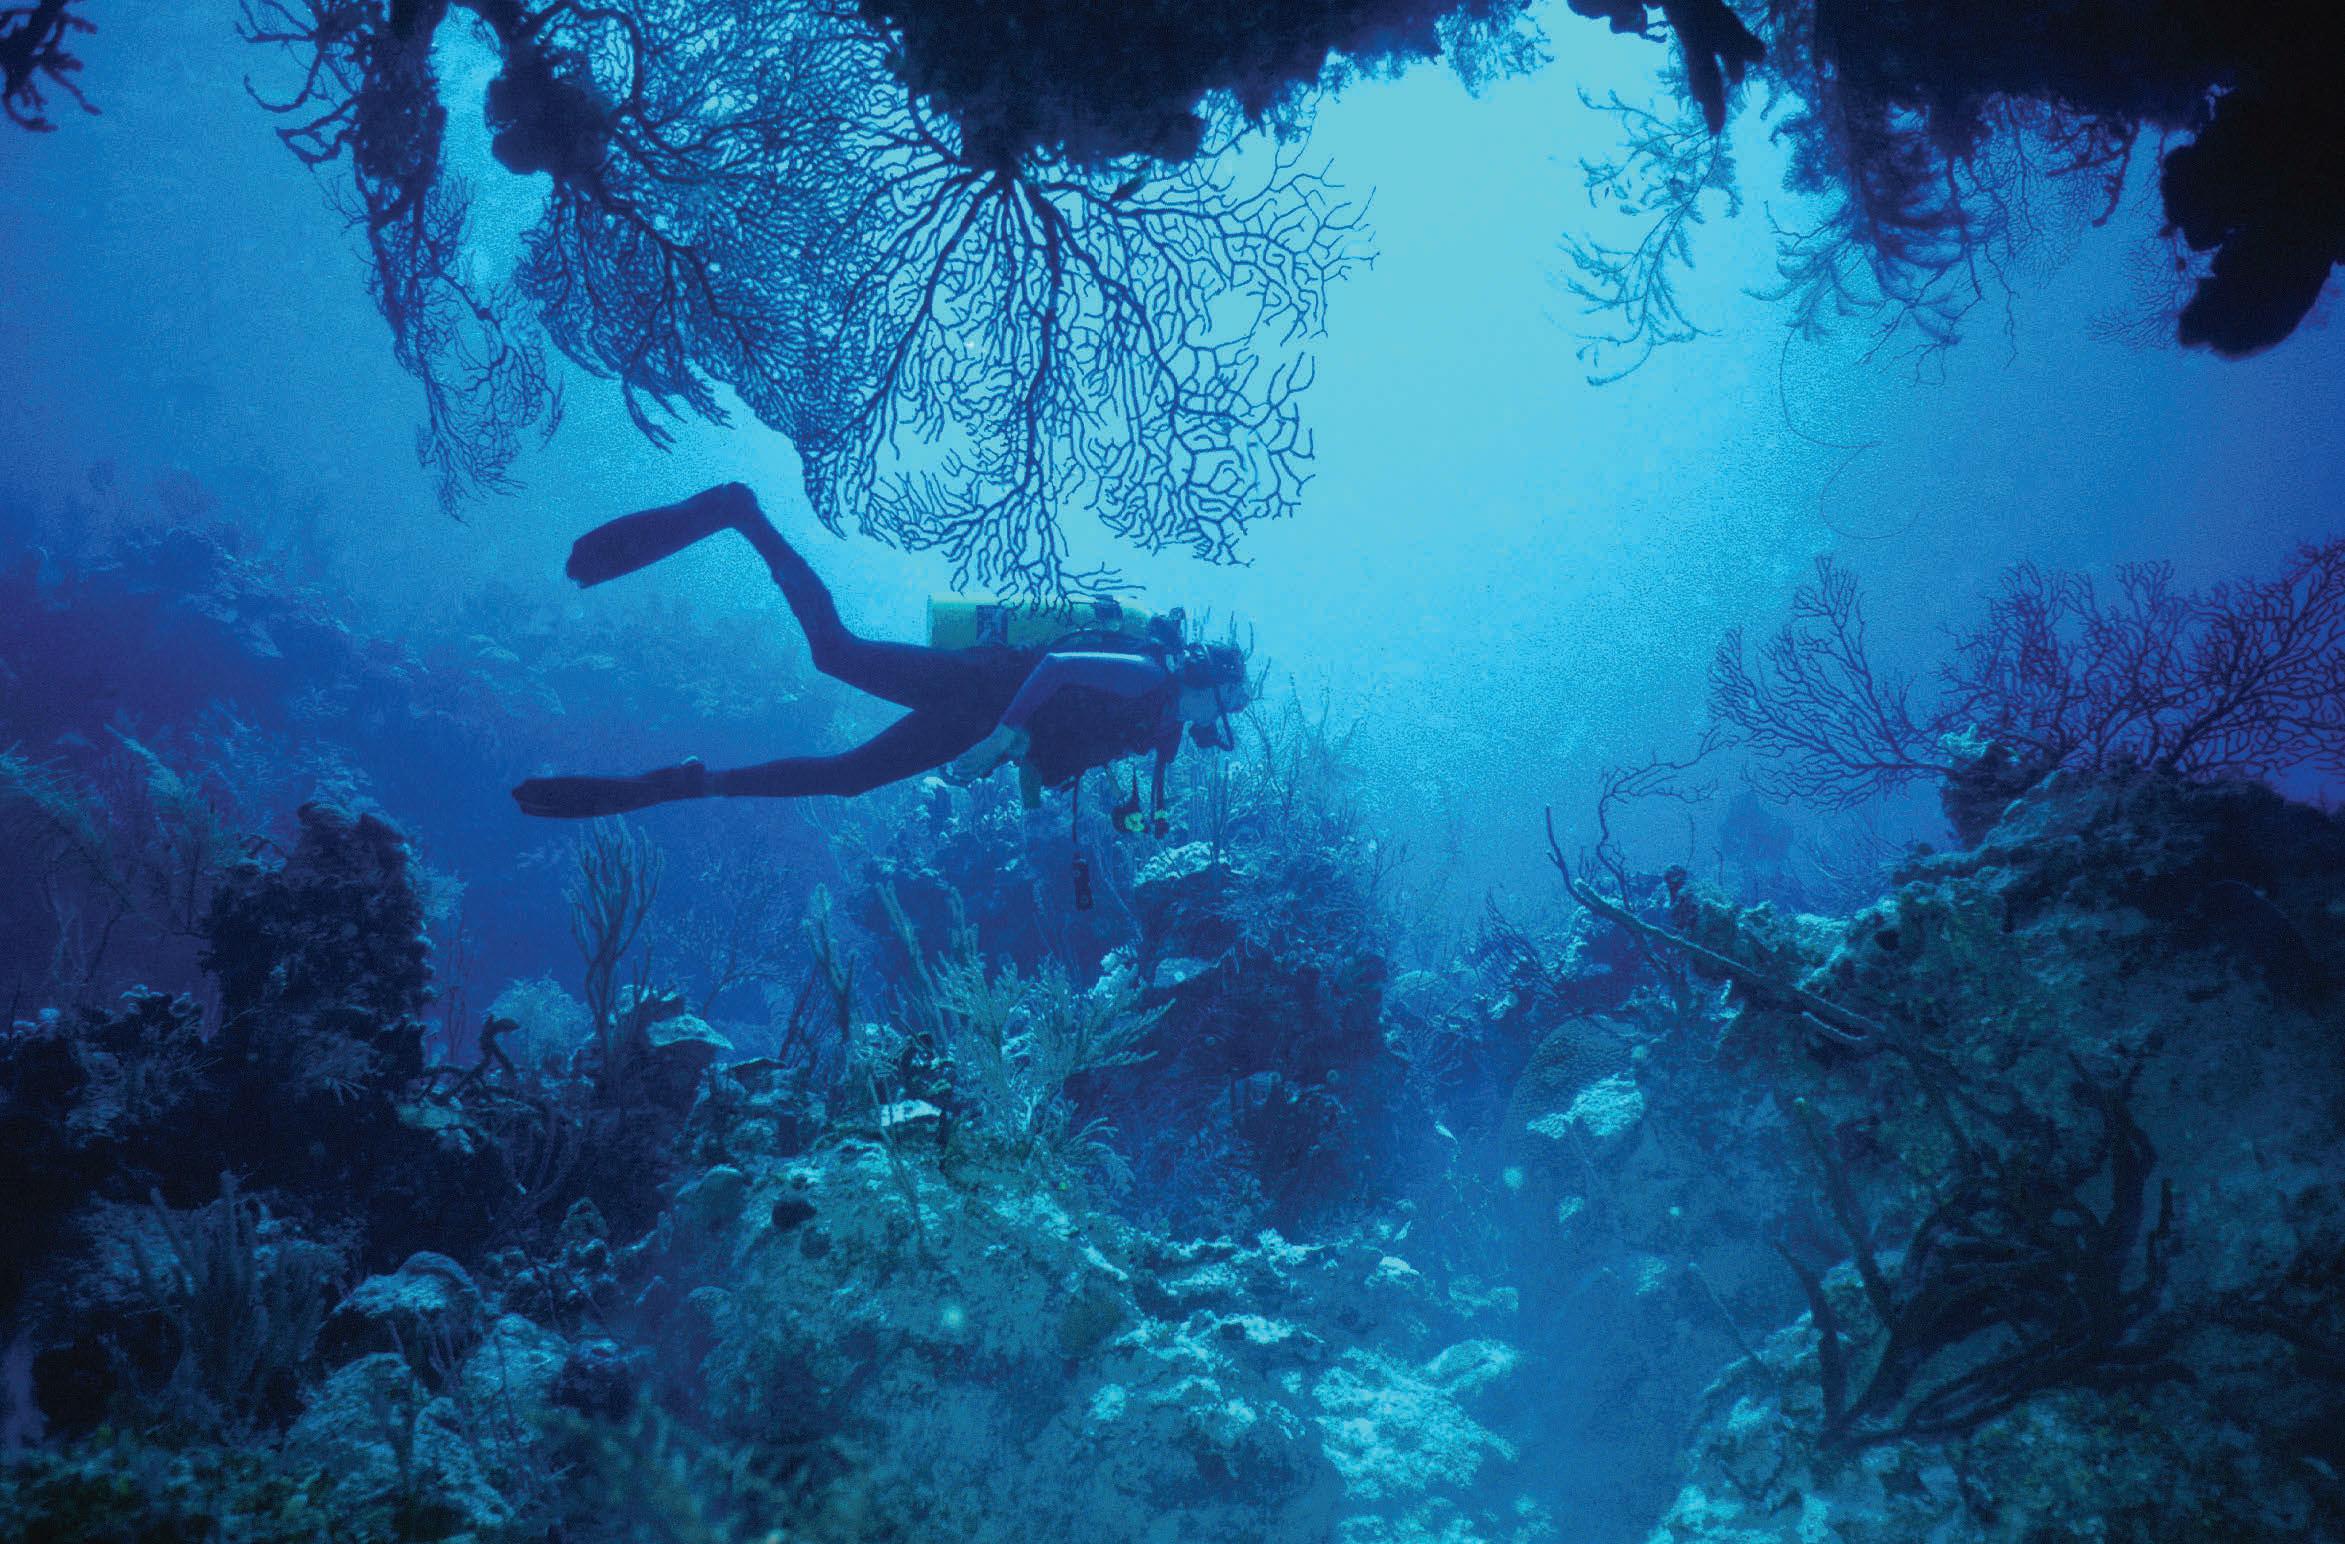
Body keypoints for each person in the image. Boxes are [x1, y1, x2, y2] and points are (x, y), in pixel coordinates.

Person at [510, 483, 1251, 819]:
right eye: (1224, 707)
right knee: (834, 658)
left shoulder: (1161, 727)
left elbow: (1063, 738)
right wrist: (1002, 739)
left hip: (977, 721)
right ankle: (741, 513)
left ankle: (686, 785)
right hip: (980, 692)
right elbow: (1056, 668)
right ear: (1207, 683)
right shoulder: (1146, 672)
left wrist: (1018, 766)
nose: (1216, 723)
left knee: (849, 773)